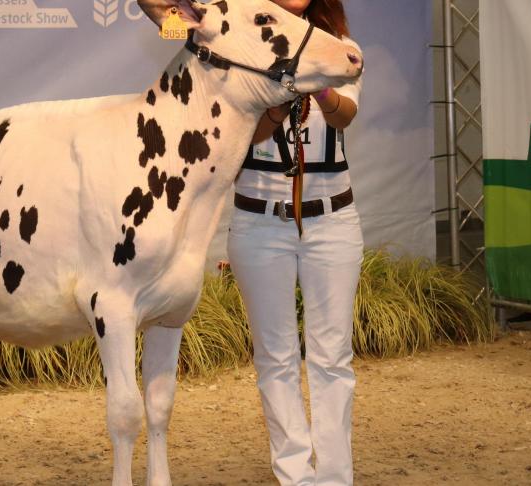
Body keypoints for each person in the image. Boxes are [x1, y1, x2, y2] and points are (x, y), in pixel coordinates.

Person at [226, 1, 363, 485]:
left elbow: (345, 115)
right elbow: (240, 141)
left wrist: (320, 85)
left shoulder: (340, 49)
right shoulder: (242, 51)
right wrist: (278, 99)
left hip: (333, 220)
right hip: (260, 221)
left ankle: (333, 478)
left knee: (332, 358)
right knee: (276, 357)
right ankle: (295, 476)